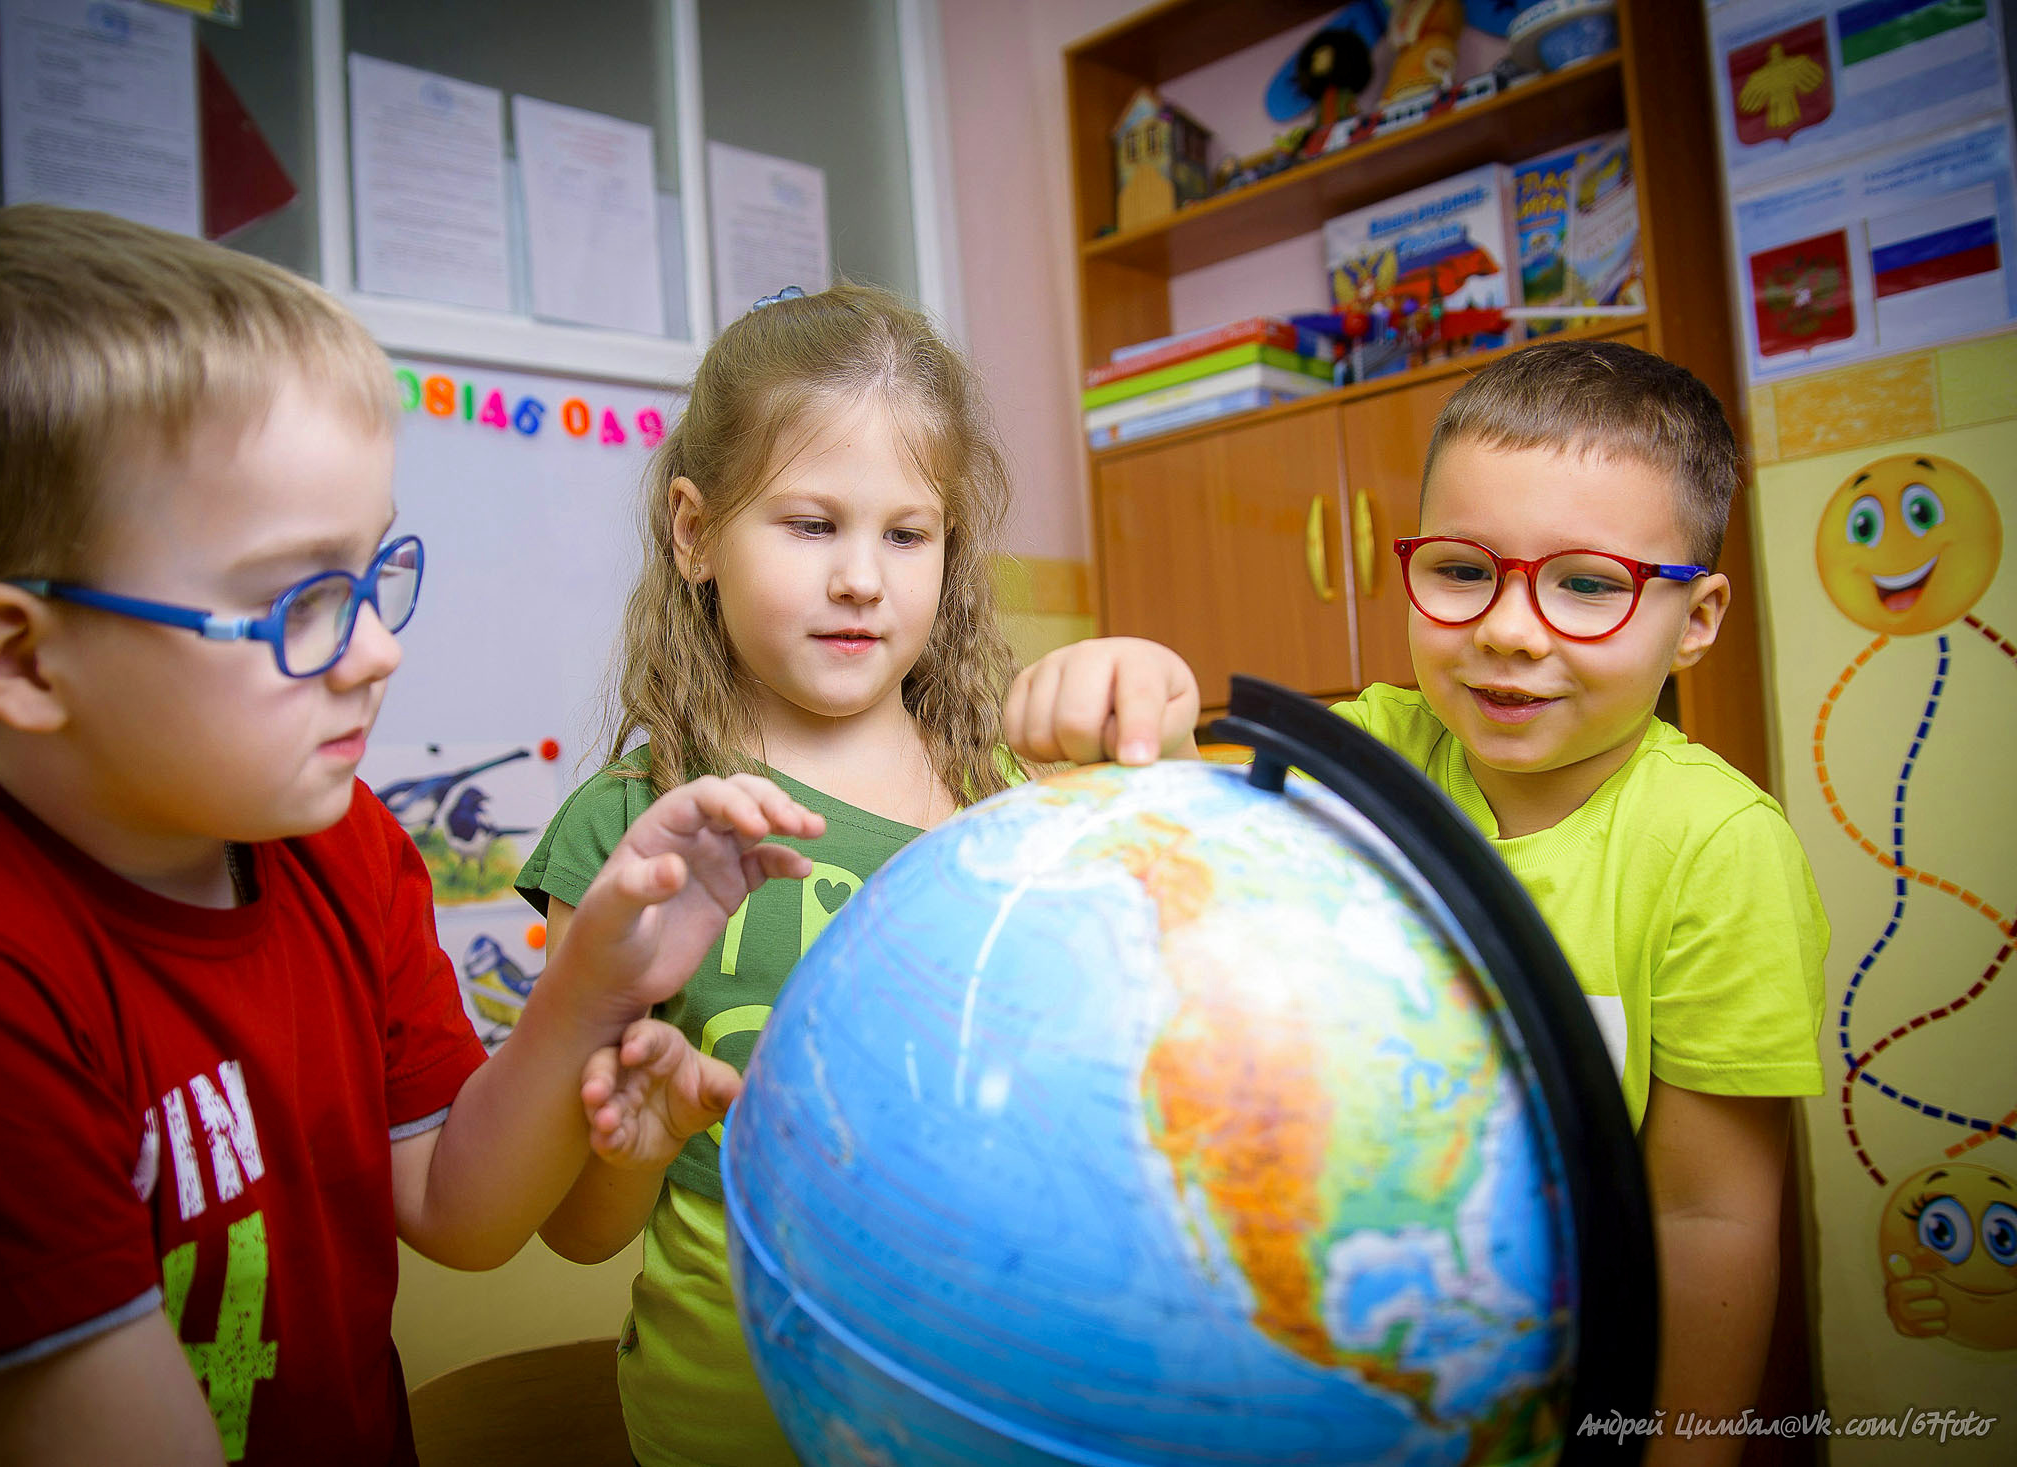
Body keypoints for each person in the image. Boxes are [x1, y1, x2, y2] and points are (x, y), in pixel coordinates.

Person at [0, 204, 823, 1466]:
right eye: (303, 601)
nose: (382, 648)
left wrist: (588, 993)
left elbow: (452, 1208)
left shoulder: (334, 840)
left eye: (371, 575)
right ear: (21, 658)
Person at [1038, 340, 1821, 1465]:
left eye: (1587, 585)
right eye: (1462, 571)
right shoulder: (1367, 753)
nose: (1509, 628)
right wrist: (1127, 699)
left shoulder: (1717, 851)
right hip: (1339, 1380)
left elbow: (1706, 1222)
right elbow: (1176, 808)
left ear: (1696, 621)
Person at [518, 283, 1198, 1466]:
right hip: (725, 1424)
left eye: (905, 533)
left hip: (994, 1411)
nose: (861, 580)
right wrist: (641, 1138)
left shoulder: (1015, 794)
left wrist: (1155, 717)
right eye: (811, 524)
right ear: (693, 532)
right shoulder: (629, 834)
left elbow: (1176, 992)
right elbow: (576, 1233)